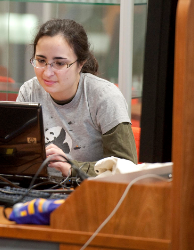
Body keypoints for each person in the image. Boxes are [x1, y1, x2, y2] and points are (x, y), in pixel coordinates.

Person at [16, 19, 137, 178]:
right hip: (37, 189)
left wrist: (72, 169)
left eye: (59, 63)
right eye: (41, 61)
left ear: (80, 63)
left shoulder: (104, 97)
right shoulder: (29, 91)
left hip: (88, 193)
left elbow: (126, 166)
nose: (47, 73)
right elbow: (15, 155)